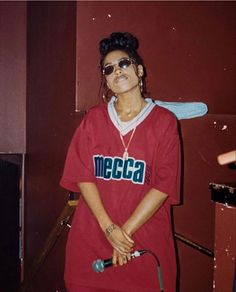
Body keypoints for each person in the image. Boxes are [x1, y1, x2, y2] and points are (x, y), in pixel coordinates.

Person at [60, 32, 181, 292]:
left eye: (124, 63)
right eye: (109, 69)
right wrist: (110, 230)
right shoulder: (93, 119)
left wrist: (123, 235)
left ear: (139, 70)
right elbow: (83, 176)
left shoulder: (164, 122)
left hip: (142, 243)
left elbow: (163, 186)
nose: (117, 71)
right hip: (92, 243)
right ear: (106, 80)